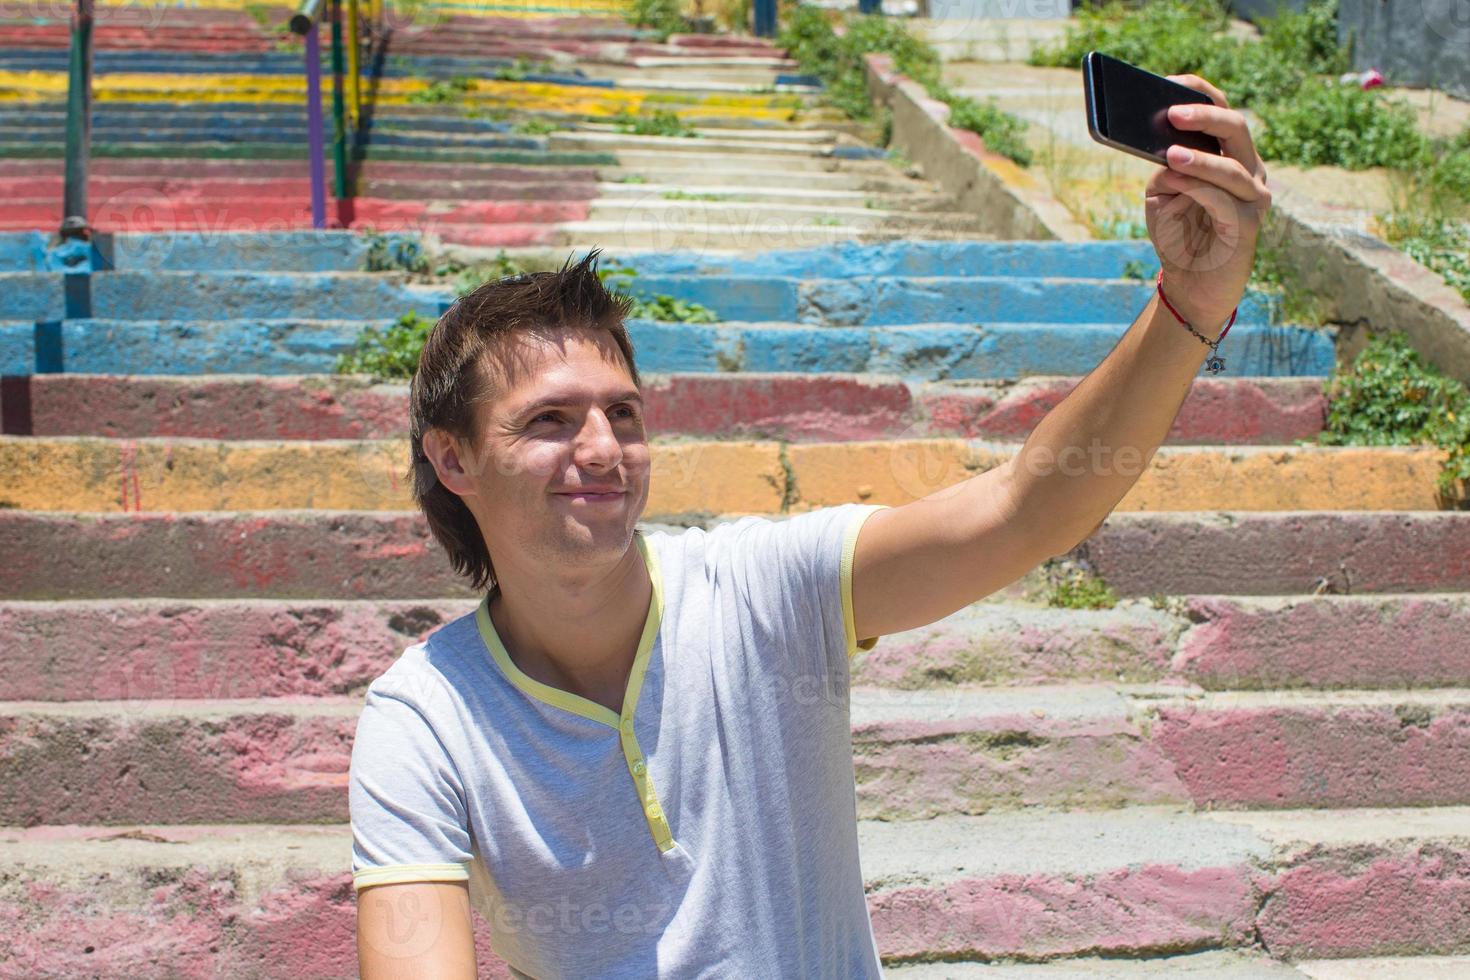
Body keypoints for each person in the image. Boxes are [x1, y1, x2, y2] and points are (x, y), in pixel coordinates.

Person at [350, 73, 1271, 978]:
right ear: (454, 458)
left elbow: (1025, 509)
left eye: (622, 414)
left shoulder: (762, 589)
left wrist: (1191, 304)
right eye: (550, 421)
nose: (602, 449)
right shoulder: (425, 716)